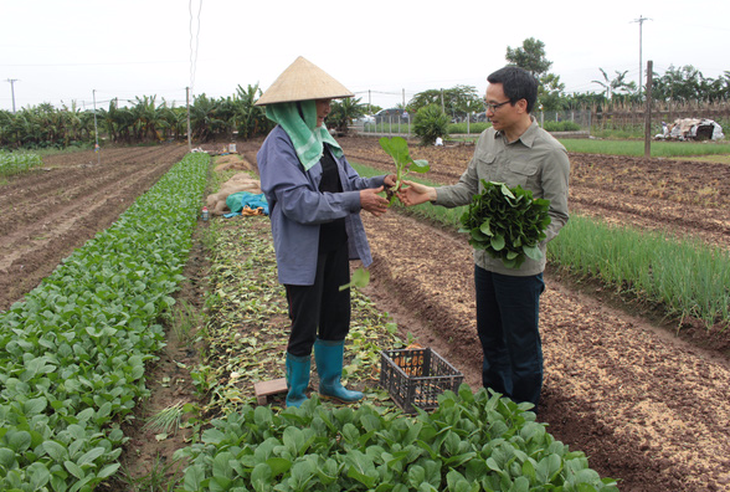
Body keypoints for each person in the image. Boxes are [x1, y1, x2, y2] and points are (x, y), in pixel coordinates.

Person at [399, 66, 570, 409]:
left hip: (521, 268)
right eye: (486, 105)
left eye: (495, 105)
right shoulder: (485, 139)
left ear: (520, 105)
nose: (488, 112)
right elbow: (468, 188)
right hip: (485, 261)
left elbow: (557, 215)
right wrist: (430, 193)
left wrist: (523, 241)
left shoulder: (550, 152)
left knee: (520, 342)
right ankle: (495, 402)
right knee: (490, 336)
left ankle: (524, 412)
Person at [255, 56, 395, 408]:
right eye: (322, 100)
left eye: (328, 100)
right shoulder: (280, 145)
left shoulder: (320, 139)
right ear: (298, 104)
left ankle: (331, 384)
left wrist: (379, 184)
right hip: (304, 250)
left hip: (334, 243)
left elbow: (349, 183)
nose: (328, 108)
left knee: (336, 315)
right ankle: (297, 394)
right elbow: (298, 203)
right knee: (304, 322)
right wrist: (355, 199)